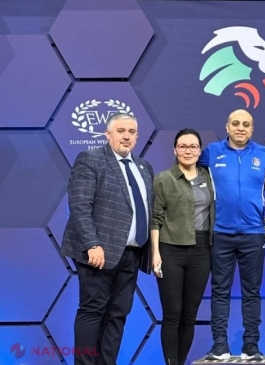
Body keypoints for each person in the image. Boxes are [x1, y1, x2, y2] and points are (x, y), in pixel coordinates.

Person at [61, 113, 154, 365]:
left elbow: (147, 209)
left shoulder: (144, 167)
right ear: (107, 134)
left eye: (131, 132)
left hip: (132, 254)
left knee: (118, 315)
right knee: (93, 310)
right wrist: (92, 244)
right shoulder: (90, 159)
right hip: (98, 253)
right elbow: (79, 206)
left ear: (137, 136)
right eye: (121, 131)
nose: (126, 136)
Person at [198, 109, 265, 361]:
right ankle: (219, 344)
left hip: (253, 233)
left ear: (252, 129)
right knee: (220, 290)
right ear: (227, 127)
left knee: (252, 292)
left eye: (246, 124)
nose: (241, 128)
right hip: (221, 232)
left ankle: (251, 345)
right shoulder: (211, 152)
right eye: (236, 123)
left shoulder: (264, 155)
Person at [151, 129, 214, 365]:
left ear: (199, 150)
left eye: (193, 146)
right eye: (183, 146)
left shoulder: (208, 177)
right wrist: (155, 253)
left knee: (189, 315)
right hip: (170, 249)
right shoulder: (164, 178)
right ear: (175, 150)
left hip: (201, 250)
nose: (188, 151)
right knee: (172, 314)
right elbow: (155, 218)